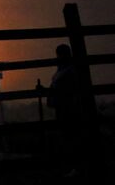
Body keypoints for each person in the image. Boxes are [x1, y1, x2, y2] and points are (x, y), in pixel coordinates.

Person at [47, 44, 83, 177]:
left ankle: (76, 166)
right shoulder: (63, 70)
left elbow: (70, 89)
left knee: (71, 136)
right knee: (68, 136)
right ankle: (74, 166)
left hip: (68, 107)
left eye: (60, 54)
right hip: (63, 107)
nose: (58, 57)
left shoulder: (68, 70)